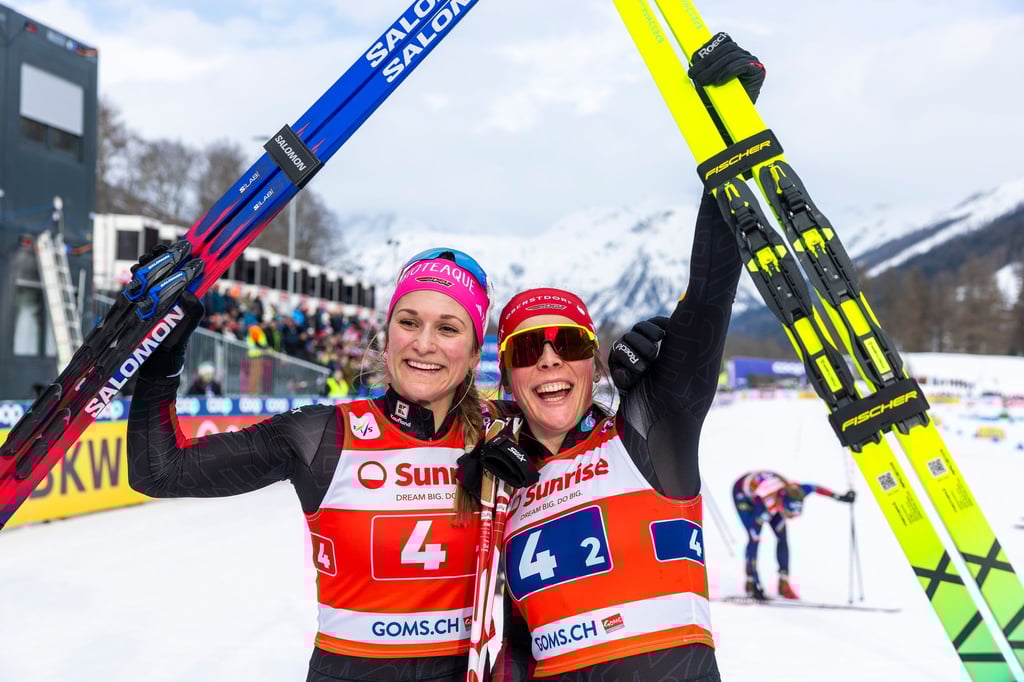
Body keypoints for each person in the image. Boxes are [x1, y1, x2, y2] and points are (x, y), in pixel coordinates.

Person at [126, 246, 495, 682]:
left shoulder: (503, 437)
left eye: (448, 328)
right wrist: (161, 360)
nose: (423, 343)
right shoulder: (323, 434)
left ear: (474, 352)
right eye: (409, 321)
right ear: (388, 332)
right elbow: (161, 471)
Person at [732, 470, 855, 600]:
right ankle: (751, 583)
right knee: (754, 538)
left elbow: (816, 488)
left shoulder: (797, 491)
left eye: (793, 515)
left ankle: (783, 582)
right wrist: (756, 583)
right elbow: (755, 534)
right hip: (743, 492)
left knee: (782, 538)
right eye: (788, 514)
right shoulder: (764, 501)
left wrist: (841, 497)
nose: (790, 518)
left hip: (773, 493)